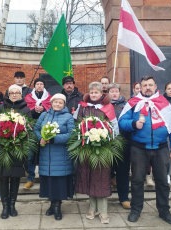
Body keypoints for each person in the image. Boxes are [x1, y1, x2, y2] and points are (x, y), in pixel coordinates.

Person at [119, 75, 171, 225]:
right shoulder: (133, 103)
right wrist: (134, 124)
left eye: (150, 85)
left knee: (162, 182)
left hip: (161, 149)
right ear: (140, 87)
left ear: (155, 87)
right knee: (137, 180)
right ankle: (136, 209)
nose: (147, 87)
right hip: (139, 148)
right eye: (145, 85)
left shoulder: (164, 102)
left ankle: (164, 210)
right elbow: (122, 122)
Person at [74, 82, 117, 224]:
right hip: (87, 147)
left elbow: (114, 127)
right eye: (91, 92)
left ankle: (103, 210)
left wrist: (107, 141)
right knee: (89, 176)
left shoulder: (108, 107)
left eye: (96, 92)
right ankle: (92, 208)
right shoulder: (83, 106)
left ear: (101, 93)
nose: (93, 95)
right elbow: (77, 125)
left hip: (102, 148)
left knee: (102, 177)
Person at [0, 85, 32, 219]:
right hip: (2, 148)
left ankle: (12, 205)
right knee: (3, 176)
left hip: (17, 148)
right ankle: (5, 206)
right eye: (11, 93)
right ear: (7, 95)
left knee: (15, 176)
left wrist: (20, 135)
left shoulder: (25, 109)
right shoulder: (1, 107)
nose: (14, 95)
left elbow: (30, 126)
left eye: (17, 92)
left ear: (21, 95)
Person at [34, 93, 75, 221]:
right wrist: (40, 137)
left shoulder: (68, 117)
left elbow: (71, 135)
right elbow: (36, 129)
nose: (57, 104)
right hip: (46, 155)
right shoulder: (44, 115)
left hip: (61, 155)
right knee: (49, 182)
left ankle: (57, 207)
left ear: (64, 104)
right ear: (51, 103)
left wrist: (53, 139)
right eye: (55, 102)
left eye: (60, 102)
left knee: (59, 182)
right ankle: (51, 205)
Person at [23, 78, 52, 190]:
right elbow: (25, 111)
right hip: (31, 127)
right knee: (30, 154)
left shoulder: (49, 97)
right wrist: (34, 110)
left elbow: (51, 109)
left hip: (45, 128)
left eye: (41, 84)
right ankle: (30, 178)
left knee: (44, 154)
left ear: (44, 86)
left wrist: (43, 108)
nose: (39, 86)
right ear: (34, 86)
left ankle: (43, 178)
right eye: (37, 84)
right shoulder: (28, 97)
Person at [108, 83, 131, 210]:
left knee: (123, 172)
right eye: (112, 91)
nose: (114, 93)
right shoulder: (104, 105)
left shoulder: (127, 106)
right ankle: (104, 196)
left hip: (124, 142)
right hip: (107, 144)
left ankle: (124, 198)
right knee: (106, 171)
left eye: (116, 91)